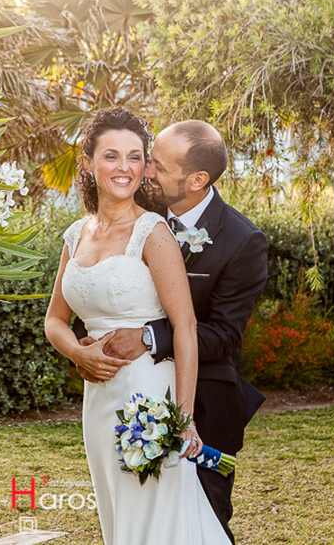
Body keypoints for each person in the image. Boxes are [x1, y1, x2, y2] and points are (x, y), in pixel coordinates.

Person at [45, 107, 231, 545]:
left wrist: (183, 419)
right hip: (98, 402)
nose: (124, 167)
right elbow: (55, 320)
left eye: (134, 156)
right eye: (111, 156)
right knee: (118, 519)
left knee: (156, 521)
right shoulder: (76, 235)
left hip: (148, 401)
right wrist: (76, 351)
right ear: (88, 163)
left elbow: (185, 328)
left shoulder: (152, 232)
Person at [77, 120, 269, 544]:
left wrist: (149, 337)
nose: (145, 172)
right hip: (126, 395)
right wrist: (89, 343)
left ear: (197, 179)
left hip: (205, 406)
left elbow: (224, 336)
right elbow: (107, 282)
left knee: (203, 523)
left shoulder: (242, 241)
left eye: (157, 166)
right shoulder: (140, 210)